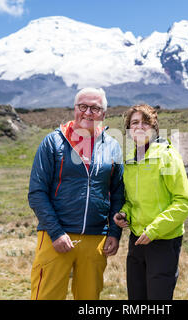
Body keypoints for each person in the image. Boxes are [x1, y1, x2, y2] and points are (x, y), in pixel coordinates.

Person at [28, 87, 124, 300]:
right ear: (75, 109)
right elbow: (37, 192)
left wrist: (114, 233)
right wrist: (55, 231)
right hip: (55, 236)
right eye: (83, 106)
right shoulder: (53, 142)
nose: (88, 113)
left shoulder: (113, 147)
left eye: (95, 108)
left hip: (96, 239)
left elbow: (118, 194)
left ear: (104, 114)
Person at [113, 104, 188, 300]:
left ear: (154, 127)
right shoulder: (131, 161)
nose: (140, 127)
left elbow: (183, 201)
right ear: (129, 130)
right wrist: (124, 214)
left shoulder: (167, 156)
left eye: (145, 122)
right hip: (137, 240)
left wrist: (154, 230)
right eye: (134, 123)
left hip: (163, 240)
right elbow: (132, 202)